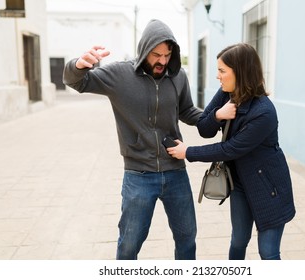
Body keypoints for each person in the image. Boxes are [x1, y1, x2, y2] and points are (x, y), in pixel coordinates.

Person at [63, 19, 202, 260]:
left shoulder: (178, 76)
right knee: (129, 244)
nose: (162, 61)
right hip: (139, 174)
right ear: (144, 49)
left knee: (187, 239)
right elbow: (76, 82)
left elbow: (188, 111)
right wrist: (78, 65)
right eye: (156, 54)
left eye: (167, 55)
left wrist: (216, 118)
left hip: (175, 171)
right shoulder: (119, 75)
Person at [167, 43, 296, 260]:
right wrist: (218, 114)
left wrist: (188, 152)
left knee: (268, 252)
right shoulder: (226, 94)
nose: (218, 76)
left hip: (269, 186)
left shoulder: (264, 112)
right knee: (238, 242)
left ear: (241, 72)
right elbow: (204, 128)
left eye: (222, 71)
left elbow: (231, 149)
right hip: (240, 183)